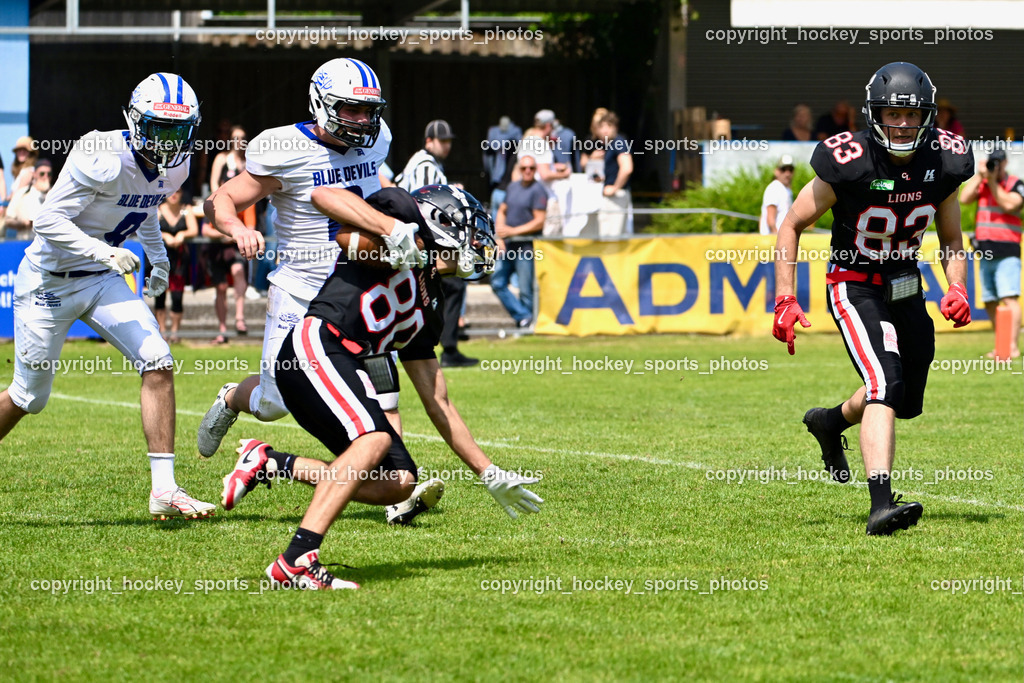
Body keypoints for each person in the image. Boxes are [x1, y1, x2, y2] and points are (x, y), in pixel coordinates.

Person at [220, 184, 542, 590]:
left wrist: (488, 471)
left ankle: (268, 462)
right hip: (320, 343)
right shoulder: (401, 212)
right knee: (372, 440)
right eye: (471, 230)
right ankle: (295, 561)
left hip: (345, 363)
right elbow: (328, 204)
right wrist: (392, 230)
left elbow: (437, 401)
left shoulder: (431, 307)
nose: (478, 242)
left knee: (398, 482)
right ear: (442, 221)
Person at [772, 62, 974, 536]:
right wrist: (785, 295)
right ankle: (881, 504)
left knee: (903, 394)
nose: (901, 123)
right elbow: (791, 224)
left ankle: (829, 421)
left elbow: (951, 238)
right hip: (854, 280)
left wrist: (958, 286)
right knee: (884, 379)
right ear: (873, 113)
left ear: (927, 116)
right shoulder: (850, 160)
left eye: (911, 114)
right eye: (891, 113)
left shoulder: (945, 162)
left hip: (905, 281)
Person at [0, 73, 213, 520]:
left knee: (157, 359)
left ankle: (164, 490)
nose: (169, 141)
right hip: (50, 281)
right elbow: (48, 221)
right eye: (160, 128)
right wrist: (104, 250)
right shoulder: (101, 154)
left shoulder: (177, 163)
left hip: (101, 277)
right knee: (28, 398)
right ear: (135, 121)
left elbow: (145, 205)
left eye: (179, 130)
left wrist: (159, 258)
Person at [197, 58, 422, 467]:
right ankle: (231, 396)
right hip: (301, 288)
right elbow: (220, 199)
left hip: (357, 284)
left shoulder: (378, 139)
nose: (363, 119)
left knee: (384, 392)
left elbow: (377, 185)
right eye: (350, 109)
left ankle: (396, 482)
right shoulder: (286, 149)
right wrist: (237, 228)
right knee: (274, 401)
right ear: (321, 103)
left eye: (369, 110)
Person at [397, 120, 477, 367]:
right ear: (429, 141)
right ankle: (445, 348)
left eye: (449, 141)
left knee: (438, 288)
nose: (447, 146)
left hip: (413, 240)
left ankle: (429, 344)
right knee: (451, 283)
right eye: (442, 141)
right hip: (422, 240)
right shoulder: (425, 165)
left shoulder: (420, 163)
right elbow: (426, 202)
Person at [959, 149, 1023, 358]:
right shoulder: (983, 182)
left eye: (999, 163)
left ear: (1005, 163)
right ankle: (1002, 346)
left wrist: (993, 182)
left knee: (1009, 298)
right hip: (985, 251)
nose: (996, 167)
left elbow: (1009, 205)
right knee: (990, 300)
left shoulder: (1015, 184)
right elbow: (965, 198)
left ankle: (1012, 347)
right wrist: (980, 176)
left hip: (1007, 251)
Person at [207, 125, 250, 341]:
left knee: (239, 272)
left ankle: (240, 317)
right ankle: (222, 329)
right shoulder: (221, 159)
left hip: (242, 221)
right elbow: (214, 187)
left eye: (242, 138)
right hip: (221, 217)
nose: (239, 141)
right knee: (221, 286)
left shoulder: (249, 162)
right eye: (235, 138)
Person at [492, 155, 546, 327]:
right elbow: (502, 210)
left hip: (526, 246)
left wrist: (513, 231)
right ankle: (524, 317)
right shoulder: (513, 187)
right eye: (524, 168)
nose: (528, 171)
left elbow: (540, 220)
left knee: (525, 290)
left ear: (535, 170)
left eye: (531, 168)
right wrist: (499, 234)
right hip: (508, 245)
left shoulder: (538, 190)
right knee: (497, 282)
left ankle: (528, 324)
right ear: (519, 169)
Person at [154, 187, 199, 342]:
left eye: (178, 191)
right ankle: (162, 332)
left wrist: (182, 234)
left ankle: (175, 333)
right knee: (159, 295)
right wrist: (165, 235)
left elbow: (194, 229)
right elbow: (148, 230)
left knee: (177, 296)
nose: (174, 195)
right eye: (171, 191)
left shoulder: (186, 210)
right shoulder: (158, 209)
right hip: (160, 259)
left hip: (179, 258)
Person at [596, 111, 633, 237]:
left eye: (609, 126)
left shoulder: (619, 142)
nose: (605, 130)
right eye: (602, 127)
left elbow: (627, 168)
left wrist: (615, 187)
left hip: (616, 197)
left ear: (615, 128)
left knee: (611, 237)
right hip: (610, 196)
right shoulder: (607, 145)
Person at [482, 115, 523, 219]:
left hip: (506, 187)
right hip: (498, 183)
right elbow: (487, 153)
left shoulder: (516, 137)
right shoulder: (493, 132)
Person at [4, 158, 52, 239]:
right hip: (25, 242)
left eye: (49, 174)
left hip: (49, 244)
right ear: (35, 174)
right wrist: (23, 223)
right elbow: (8, 220)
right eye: (42, 173)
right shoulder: (21, 193)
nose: (45, 176)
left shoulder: (55, 194)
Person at [759, 155, 794, 235]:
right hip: (773, 239)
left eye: (790, 170)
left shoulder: (787, 190)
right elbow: (770, 219)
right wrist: (777, 238)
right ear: (776, 171)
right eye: (783, 169)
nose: (787, 173)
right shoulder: (774, 188)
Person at [8, 136, 38, 201]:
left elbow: (17, 195)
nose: (21, 152)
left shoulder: (29, 171)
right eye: (19, 150)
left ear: (31, 153)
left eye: (25, 150)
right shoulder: (20, 171)